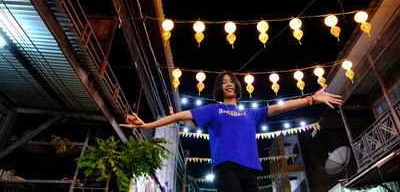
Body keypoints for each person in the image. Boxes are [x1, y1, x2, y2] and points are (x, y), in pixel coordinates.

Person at [120, 71, 343, 192]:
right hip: (226, 168)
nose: (228, 84)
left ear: (237, 87)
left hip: (251, 170)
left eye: (231, 81)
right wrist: (149, 125)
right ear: (220, 88)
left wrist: (312, 99)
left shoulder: (251, 113)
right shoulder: (213, 110)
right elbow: (180, 116)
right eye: (224, 82)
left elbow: (281, 106)